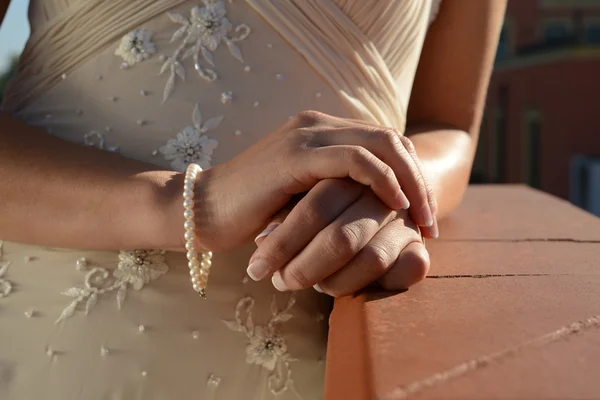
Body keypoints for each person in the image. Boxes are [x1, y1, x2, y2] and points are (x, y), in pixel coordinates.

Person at [0, 0, 505, 398]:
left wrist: (389, 191)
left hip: (318, 343)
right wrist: (198, 204)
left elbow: (448, 125)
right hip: (56, 332)